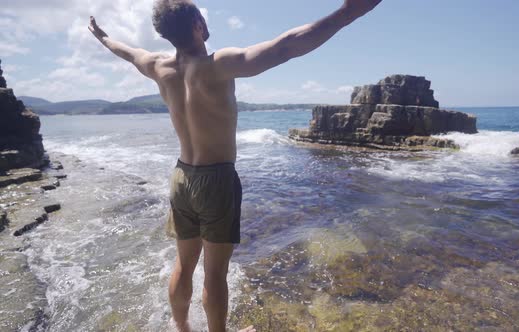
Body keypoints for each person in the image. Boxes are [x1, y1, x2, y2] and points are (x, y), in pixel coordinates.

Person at [89, 0, 381, 330]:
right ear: (198, 24)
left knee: (183, 266)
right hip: (216, 180)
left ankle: (181, 328)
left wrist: (102, 37)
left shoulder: (158, 66)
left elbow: (126, 51)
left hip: (181, 176)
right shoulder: (217, 65)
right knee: (215, 274)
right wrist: (350, 11)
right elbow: (286, 46)